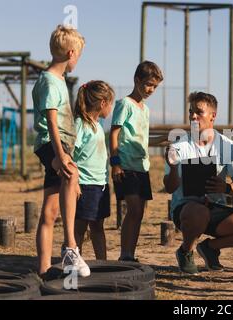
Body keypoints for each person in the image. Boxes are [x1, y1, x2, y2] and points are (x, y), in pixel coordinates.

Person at [164, 92, 233, 275]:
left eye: (199, 112)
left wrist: (226, 188)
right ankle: (186, 251)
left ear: (213, 116)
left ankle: (210, 247)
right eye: (190, 112)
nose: (193, 116)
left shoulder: (228, 146)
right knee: (198, 211)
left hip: (215, 208)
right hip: (186, 210)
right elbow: (170, 188)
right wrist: (172, 168)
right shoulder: (178, 147)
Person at [33, 25, 90, 278]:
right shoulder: (48, 81)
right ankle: (70, 247)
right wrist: (61, 156)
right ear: (70, 53)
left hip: (60, 145)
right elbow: (52, 122)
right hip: (50, 143)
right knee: (71, 172)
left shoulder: (58, 80)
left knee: (50, 210)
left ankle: (44, 269)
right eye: (78, 55)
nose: (77, 60)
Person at [110, 61, 163, 262]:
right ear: (137, 80)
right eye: (148, 84)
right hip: (126, 165)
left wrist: (163, 141)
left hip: (142, 166)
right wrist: (115, 162)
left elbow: (144, 139)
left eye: (155, 86)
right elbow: (114, 134)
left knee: (139, 213)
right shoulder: (125, 104)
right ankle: (124, 253)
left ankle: (130, 254)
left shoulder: (145, 109)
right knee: (133, 209)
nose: (151, 89)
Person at [73, 80, 114, 260]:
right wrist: (74, 182)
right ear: (103, 103)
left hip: (100, 185)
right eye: (111, 103)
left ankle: (102, 264)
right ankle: (74, 263)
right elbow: (69, 153)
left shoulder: (97, 125)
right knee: (79, 229)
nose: (111, 108)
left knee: (98, 227)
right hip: (84, 185)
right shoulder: (80, 124)